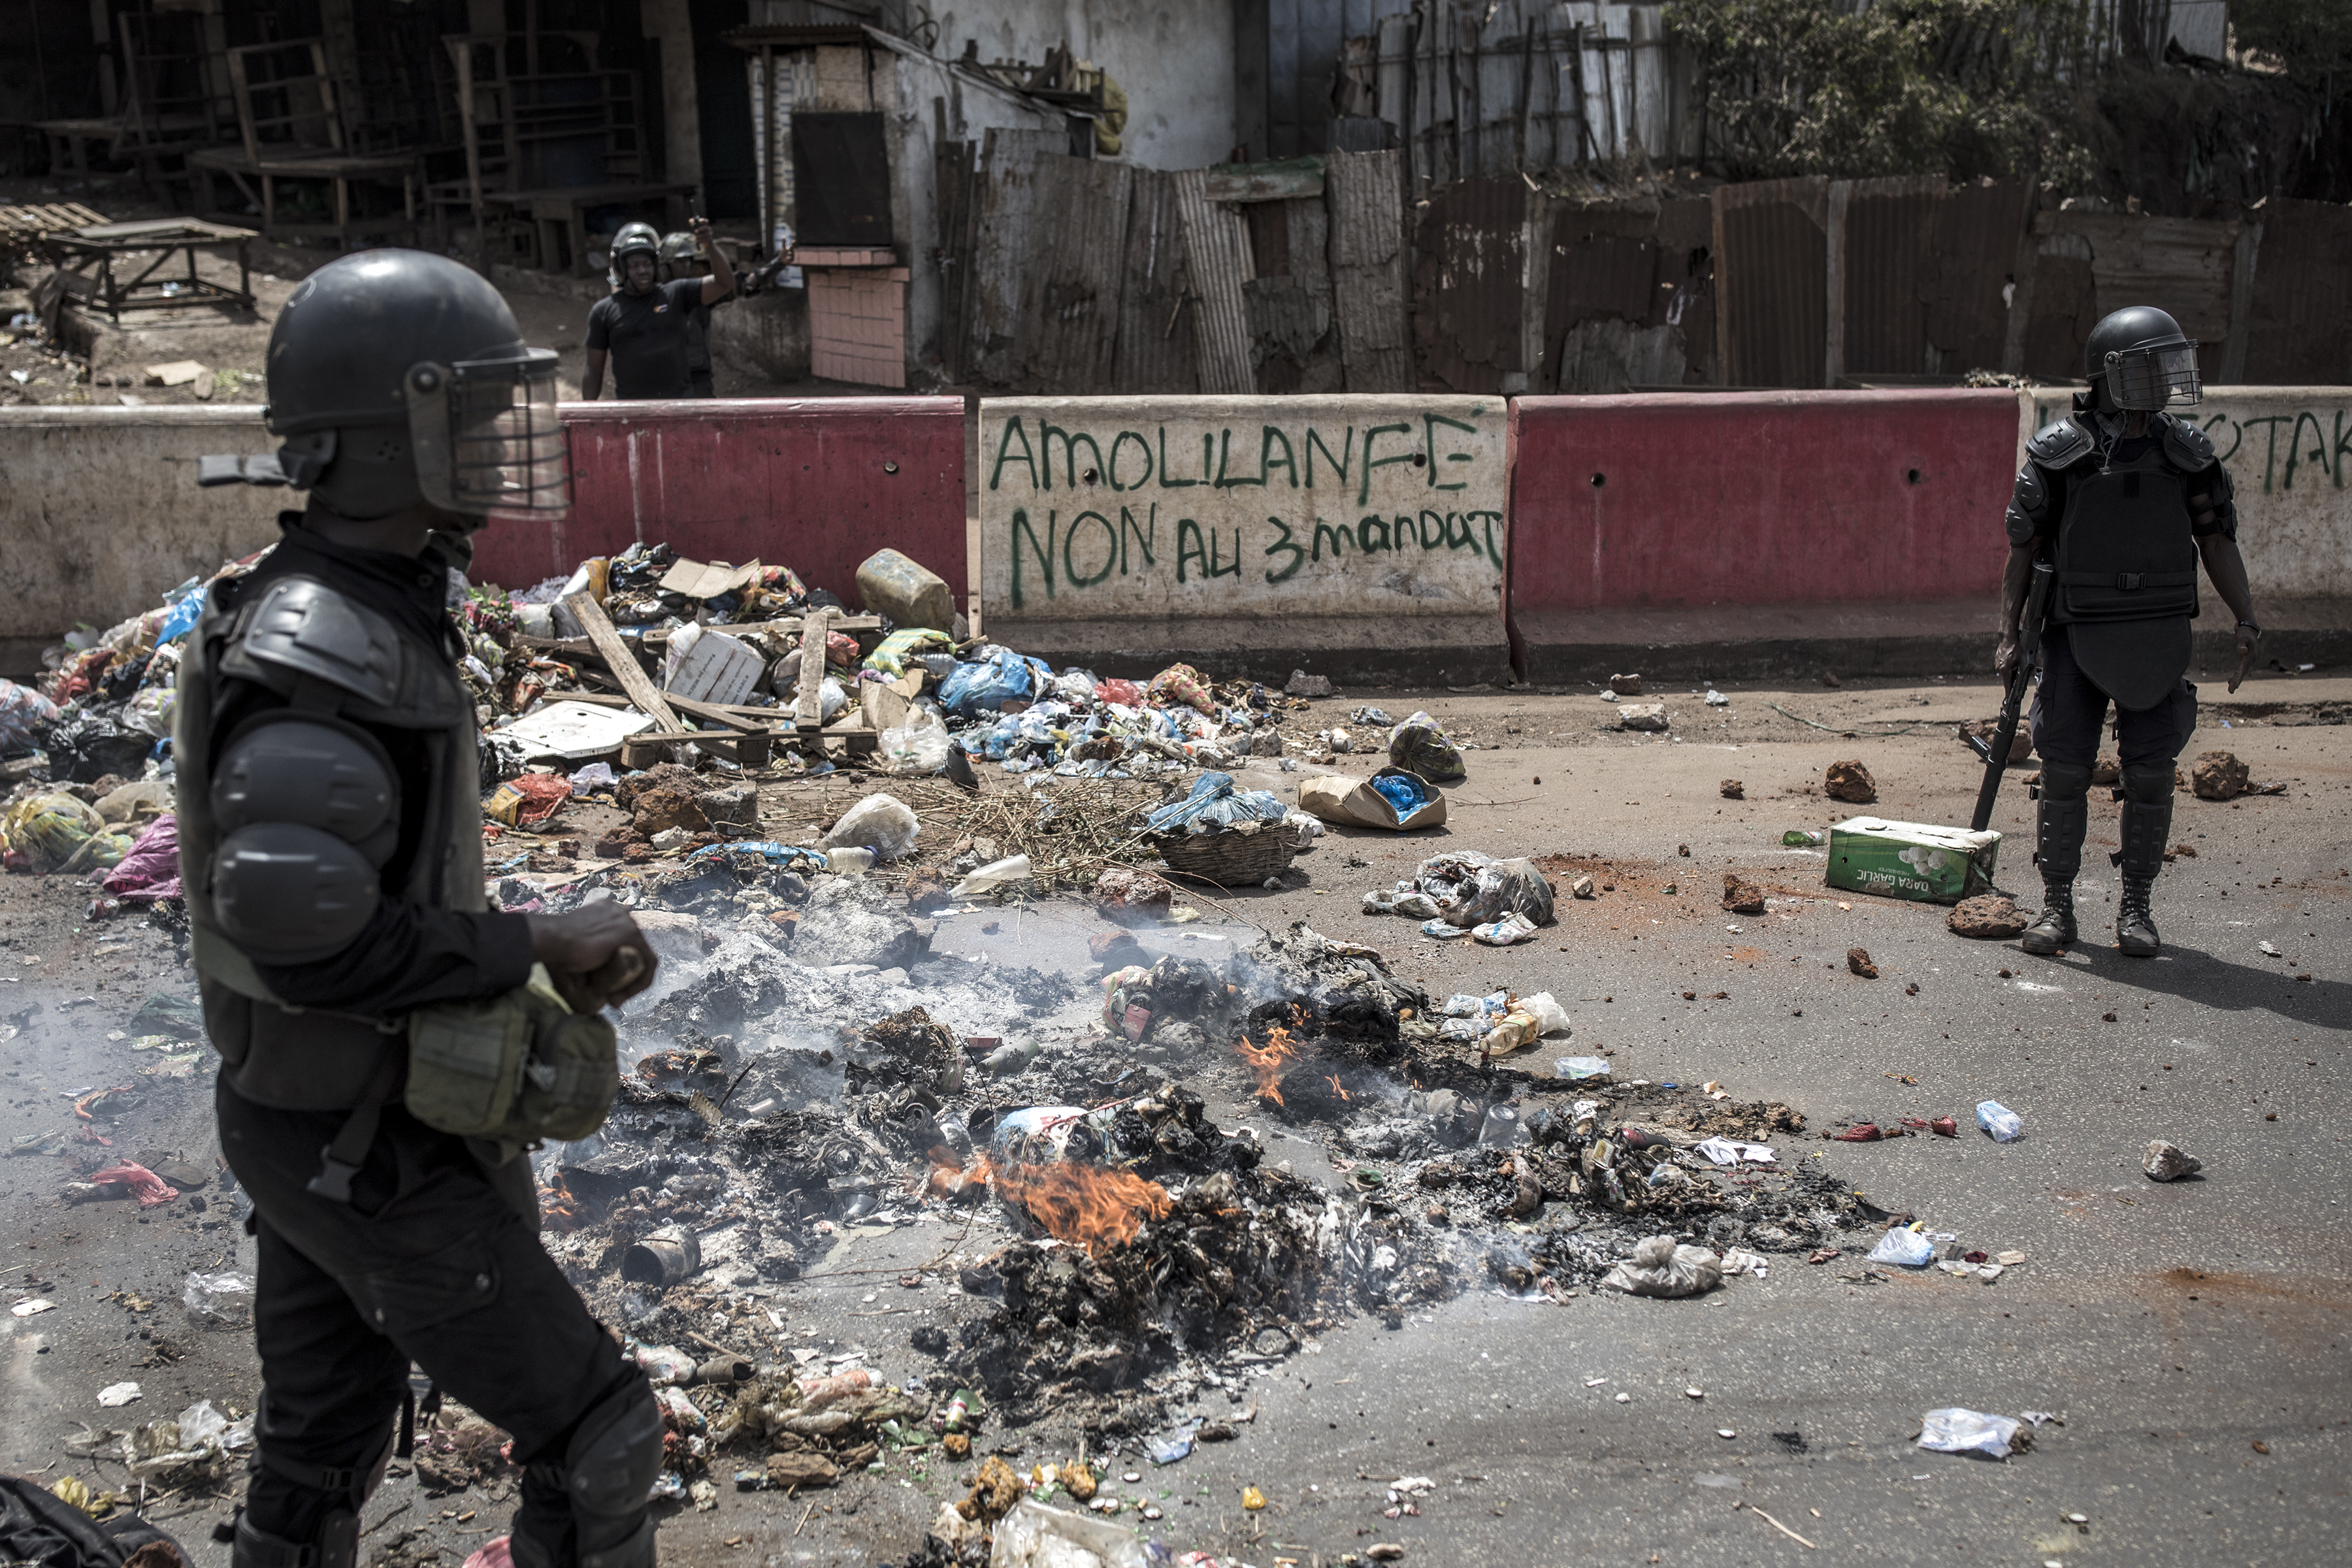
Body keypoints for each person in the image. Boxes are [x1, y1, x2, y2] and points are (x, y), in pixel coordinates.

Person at [181, 249, 662, 1568]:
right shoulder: (317, 648)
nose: (506, 439)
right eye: (478, 411)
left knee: (319, 1444)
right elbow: (311, 938)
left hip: (324, 1124)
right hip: (359, 1145)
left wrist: (528, 948)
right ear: (400, 433)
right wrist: (532, 942)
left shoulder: (369, 611)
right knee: (599, 1428)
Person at [1995, 304, 2261, 959]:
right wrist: (2008, 632)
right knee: (2064, 770)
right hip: (2074, 632)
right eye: (2154, 364)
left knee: (2151, 774)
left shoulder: (2186, 455)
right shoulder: (2063, 455)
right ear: (2112, 374)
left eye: (2174, 362)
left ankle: (2136, 907)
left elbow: (2216, 539)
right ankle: (2057, 906)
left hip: (2158, 632)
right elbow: (2023, 549)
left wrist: (2247, 616)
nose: (2169, 377)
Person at [582, 217, 734, 400]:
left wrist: (710, 246)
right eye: (634, 266)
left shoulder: (676, 294)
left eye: (647, 264)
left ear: (656, 266)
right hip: (632, 412)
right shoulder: (604, 312)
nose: (642, 271)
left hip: (680, 406)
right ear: (623, 270)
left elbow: (724, 283)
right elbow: (594, 370)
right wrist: (587, 416)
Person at [658, 229, 732, 397]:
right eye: (680, 261)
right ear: (666, 265)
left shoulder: (697, 293)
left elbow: (735, 285)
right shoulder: (656, 298)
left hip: (697, 376)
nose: (687, 265)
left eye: (688, 260)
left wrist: (776, 265)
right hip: (667, 380)